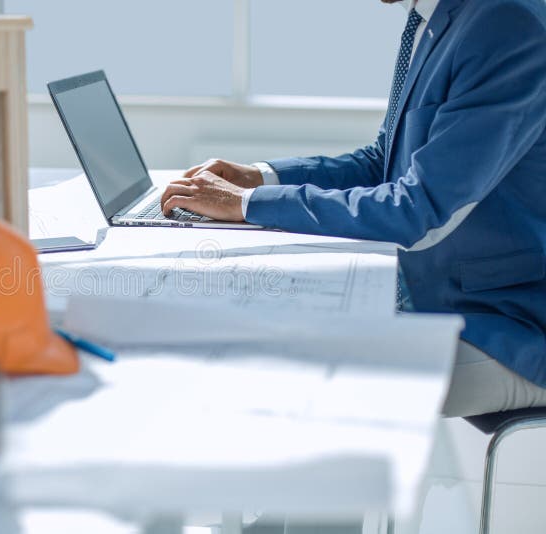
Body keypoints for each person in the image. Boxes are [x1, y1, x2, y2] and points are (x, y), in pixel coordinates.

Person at [161, 0, 546, 417]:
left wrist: (247, 204)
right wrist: (261, 177)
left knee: (279, 373)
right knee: (242, 317)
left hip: (509, 327)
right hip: (430, 292)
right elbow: (383, 162)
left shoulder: (509, 24)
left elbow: (418, 211)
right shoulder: (434, 19)